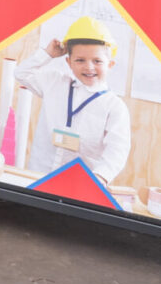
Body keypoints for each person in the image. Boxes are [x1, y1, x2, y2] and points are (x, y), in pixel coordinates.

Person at [14, 17, 133, 183]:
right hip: (38, 176)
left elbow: (117, 151)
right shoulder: (55, 83)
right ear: (69, 62)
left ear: (110, 64)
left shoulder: (114, 107)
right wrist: (47, 55)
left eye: (97, 61)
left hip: (79, 187)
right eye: (80, 60)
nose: (89, 67)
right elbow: (21, 73)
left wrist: (99, 178)